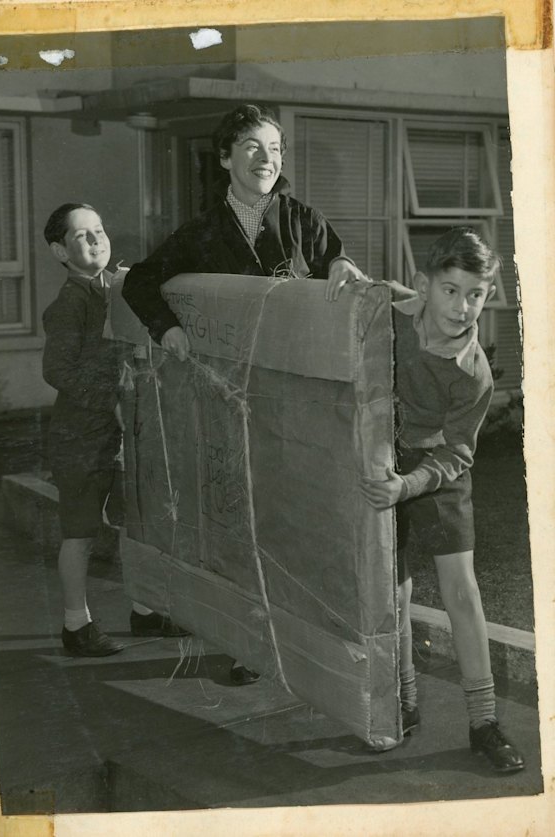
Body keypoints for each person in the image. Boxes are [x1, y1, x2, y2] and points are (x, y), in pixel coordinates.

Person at [122, 103, 368, 683]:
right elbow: (139, 280)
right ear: (227, 156)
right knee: (245, 520)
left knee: (299, 518)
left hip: (299, 400)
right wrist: (169, 328)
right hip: (232, 401)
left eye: (276, 148)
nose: (267, 158)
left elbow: (339, 260)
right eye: (254, 147)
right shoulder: (201, 233)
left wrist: (341, 269)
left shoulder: (302, 217)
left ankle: (308, 645)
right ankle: (248, 646)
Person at [353, 227, 524, 772]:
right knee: (392, 588)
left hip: (437, 472)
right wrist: (339, 271)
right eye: (451, 290)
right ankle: (404, 701)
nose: (463, 306)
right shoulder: (395, 315)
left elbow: (457, 454)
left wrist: (410, 484)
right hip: (386, 458)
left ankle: (484, 722)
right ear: (425, 286)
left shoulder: (473, 373)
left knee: (462, 592)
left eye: (476, 294)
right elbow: (367, 289)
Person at [42, 202, 189, 657]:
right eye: (81, 236)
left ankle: (144, 610)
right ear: (59, 251)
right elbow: (58, 371)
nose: (96, 240)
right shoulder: (70, 302)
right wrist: (114, 399)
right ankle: (75, 625)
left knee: (137, 522)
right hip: (82, 435)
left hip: (123, 429)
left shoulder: (117, 290)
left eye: (99, 230)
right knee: (81, 533)